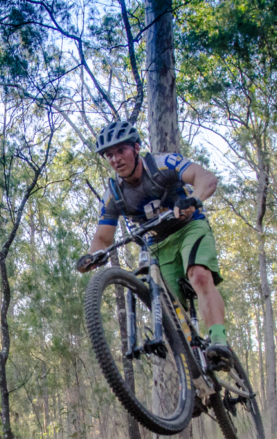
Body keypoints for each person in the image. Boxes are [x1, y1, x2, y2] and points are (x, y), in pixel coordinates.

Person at [75, 120, 230, 366]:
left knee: (199, 275)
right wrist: (91, 257)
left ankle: (219, 340)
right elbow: (103, 239)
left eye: (121, 150)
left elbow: (205, 178)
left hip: (189, 227)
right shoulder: (114, 194)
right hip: (157, 246)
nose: (115, 159)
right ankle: (195, 380)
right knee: (170, 314)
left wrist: (194, 199)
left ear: (136, 148)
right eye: (109, 155)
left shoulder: (162, 165)